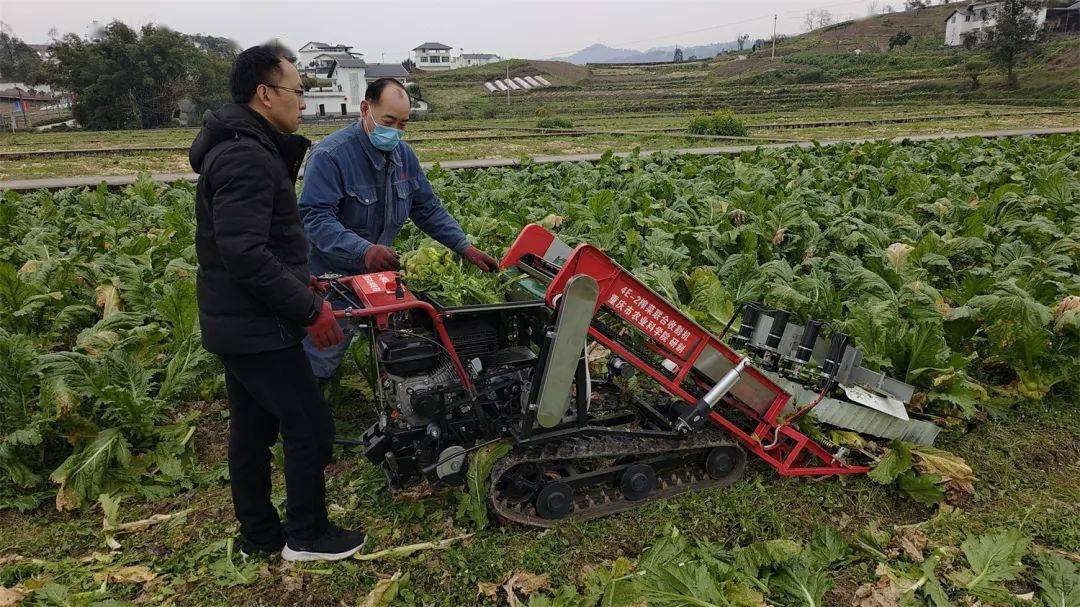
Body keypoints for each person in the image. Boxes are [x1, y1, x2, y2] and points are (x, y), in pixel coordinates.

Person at [189, 43, 362, 562]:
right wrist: (309, 310)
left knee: (252, 429)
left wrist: (300, 279)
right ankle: (307, 535)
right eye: (297, 91)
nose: (303, 102)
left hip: (238, 320)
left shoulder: (245, 146)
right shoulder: (246, 155)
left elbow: (252, 245)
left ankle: (260, 536)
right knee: (309, 424)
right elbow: (244, 254)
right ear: (265, 94)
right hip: (257, 325)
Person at [298, 77, 499, 383]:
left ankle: (393, 397)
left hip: (378, 278)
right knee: (321, 358)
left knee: (395, 351)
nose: (394, 131)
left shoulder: (404, 157)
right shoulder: (331, 155)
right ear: (365, 109)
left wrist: (464, 246)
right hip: (333, 280)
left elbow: (427, 208)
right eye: (388, 121)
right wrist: (363, 251)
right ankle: (306, 406)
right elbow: (315, 218)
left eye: (403, 124)